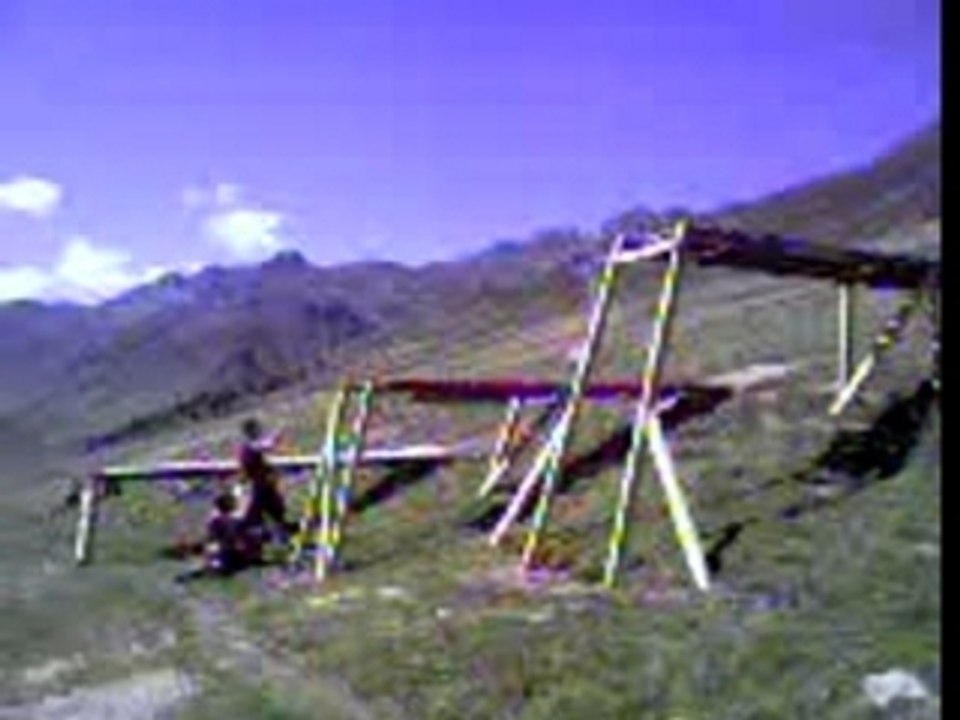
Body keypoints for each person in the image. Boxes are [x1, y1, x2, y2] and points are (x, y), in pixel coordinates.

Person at [237, 417, 298, 544]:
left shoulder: (250, 445)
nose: (260, 430)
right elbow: (267, 445)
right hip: (258, 485)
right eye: (257, 428)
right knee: (260, 512)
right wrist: (278, 433)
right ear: (251, 430)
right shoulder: (249, 446)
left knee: (275, 509)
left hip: (263, 484)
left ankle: (281, 536)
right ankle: (262, 539)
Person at [204, 490, 262, 576]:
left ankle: (219, 565)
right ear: (234, 507)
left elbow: (211, 540)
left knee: (216, 556)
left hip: (224, 554)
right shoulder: (238, 521)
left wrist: (210, 558)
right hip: (238, 554)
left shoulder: (214, 522)